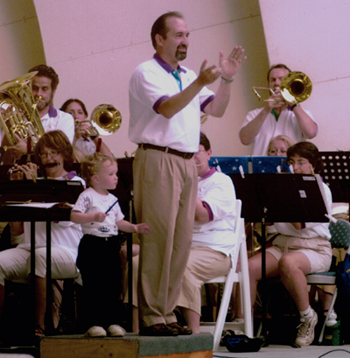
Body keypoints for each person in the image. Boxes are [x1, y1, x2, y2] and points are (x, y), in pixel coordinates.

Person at [128, 11, 246, 336]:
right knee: (158, 238)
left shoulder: (189, 74)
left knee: (180, 242)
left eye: (188, 35)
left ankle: (166, 313)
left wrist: (228, 79)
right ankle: (153, 317)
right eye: (179, 35)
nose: (185, 41)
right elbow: (167, 108)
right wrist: (199, 83)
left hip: (185, 161)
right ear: (160, 39)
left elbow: (217, 109)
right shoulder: (146, 72)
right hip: (158, 158)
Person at [238, 141, 332, 346]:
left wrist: (283, 193)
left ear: (313, 165)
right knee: (248, 267)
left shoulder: (320, 188)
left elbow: (299, 225)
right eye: (292, 162)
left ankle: (307, 317)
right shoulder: (285, 185)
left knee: (289, 263)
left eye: (301, 162)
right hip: (282, 244)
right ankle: (243, 326)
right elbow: (270, 221)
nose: (295, 167)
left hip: (313, 247)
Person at [0, 130, 85, 338]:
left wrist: (33, 188)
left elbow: (57, 218)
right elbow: (17, 232)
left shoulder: (76, 183)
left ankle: (39, 328)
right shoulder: (34, 181)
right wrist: (17, 189)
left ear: (65, 154)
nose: (49, 159)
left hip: (66, 251)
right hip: (29, 249)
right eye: (44, 154)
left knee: (41, 257)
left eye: (54, 153)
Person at [70, 153, 151, 337]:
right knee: (93, 284)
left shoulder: (113, 199)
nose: (116, 177)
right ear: (96, 178)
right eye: (111, 174)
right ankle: (93, 323)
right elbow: (74, 215)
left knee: (113, 284)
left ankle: (111, 322)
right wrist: (92, 217)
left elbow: (119, 222)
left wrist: (135, 227)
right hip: (92, 245)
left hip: (110, 245)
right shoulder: (87, 196)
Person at [239, 64, 318, 156]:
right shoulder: (255, 114)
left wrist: (292, 102)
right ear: (268, 84)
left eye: (281, 79)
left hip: (293, 169)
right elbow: (245, 140)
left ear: (290, 83)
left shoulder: (302, 114)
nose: (276, 83)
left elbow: (311, 133)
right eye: (273, 80)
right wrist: (266, 110)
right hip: (263, 169)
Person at [6, 65, 75, 160]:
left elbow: (62, 152)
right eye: (35, 88)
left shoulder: (64, 118)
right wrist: (7, 125)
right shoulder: (16, 117)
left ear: (53, 91)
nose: (39, 94)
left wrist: (29, 150)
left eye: (44, 89)